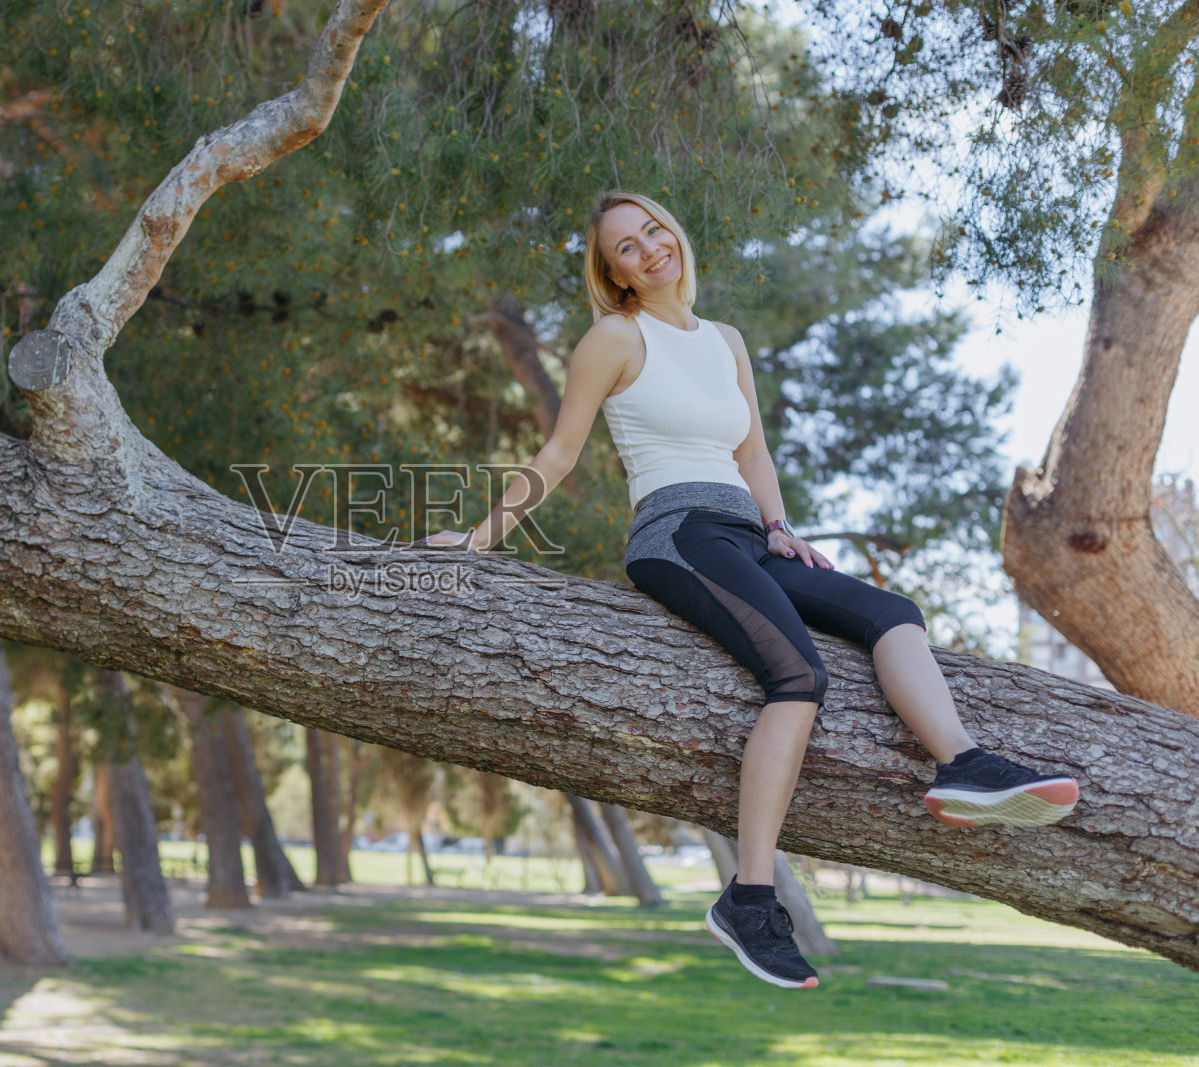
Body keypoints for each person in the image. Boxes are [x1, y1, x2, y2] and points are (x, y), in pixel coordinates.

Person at [420, 190, 1079, 990]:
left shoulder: (726, 340)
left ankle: (965, 764)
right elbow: (559, 452)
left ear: (675, 234)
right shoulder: (616, 338)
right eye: (626, 247)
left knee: (893, 614)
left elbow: (754, 450)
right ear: (615, 275)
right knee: (798, 676)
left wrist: (779, 523)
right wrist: (480, 536)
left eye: (653, 229)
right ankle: (750, 895)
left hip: (744, 532)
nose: (649, 248)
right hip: (677, 533)